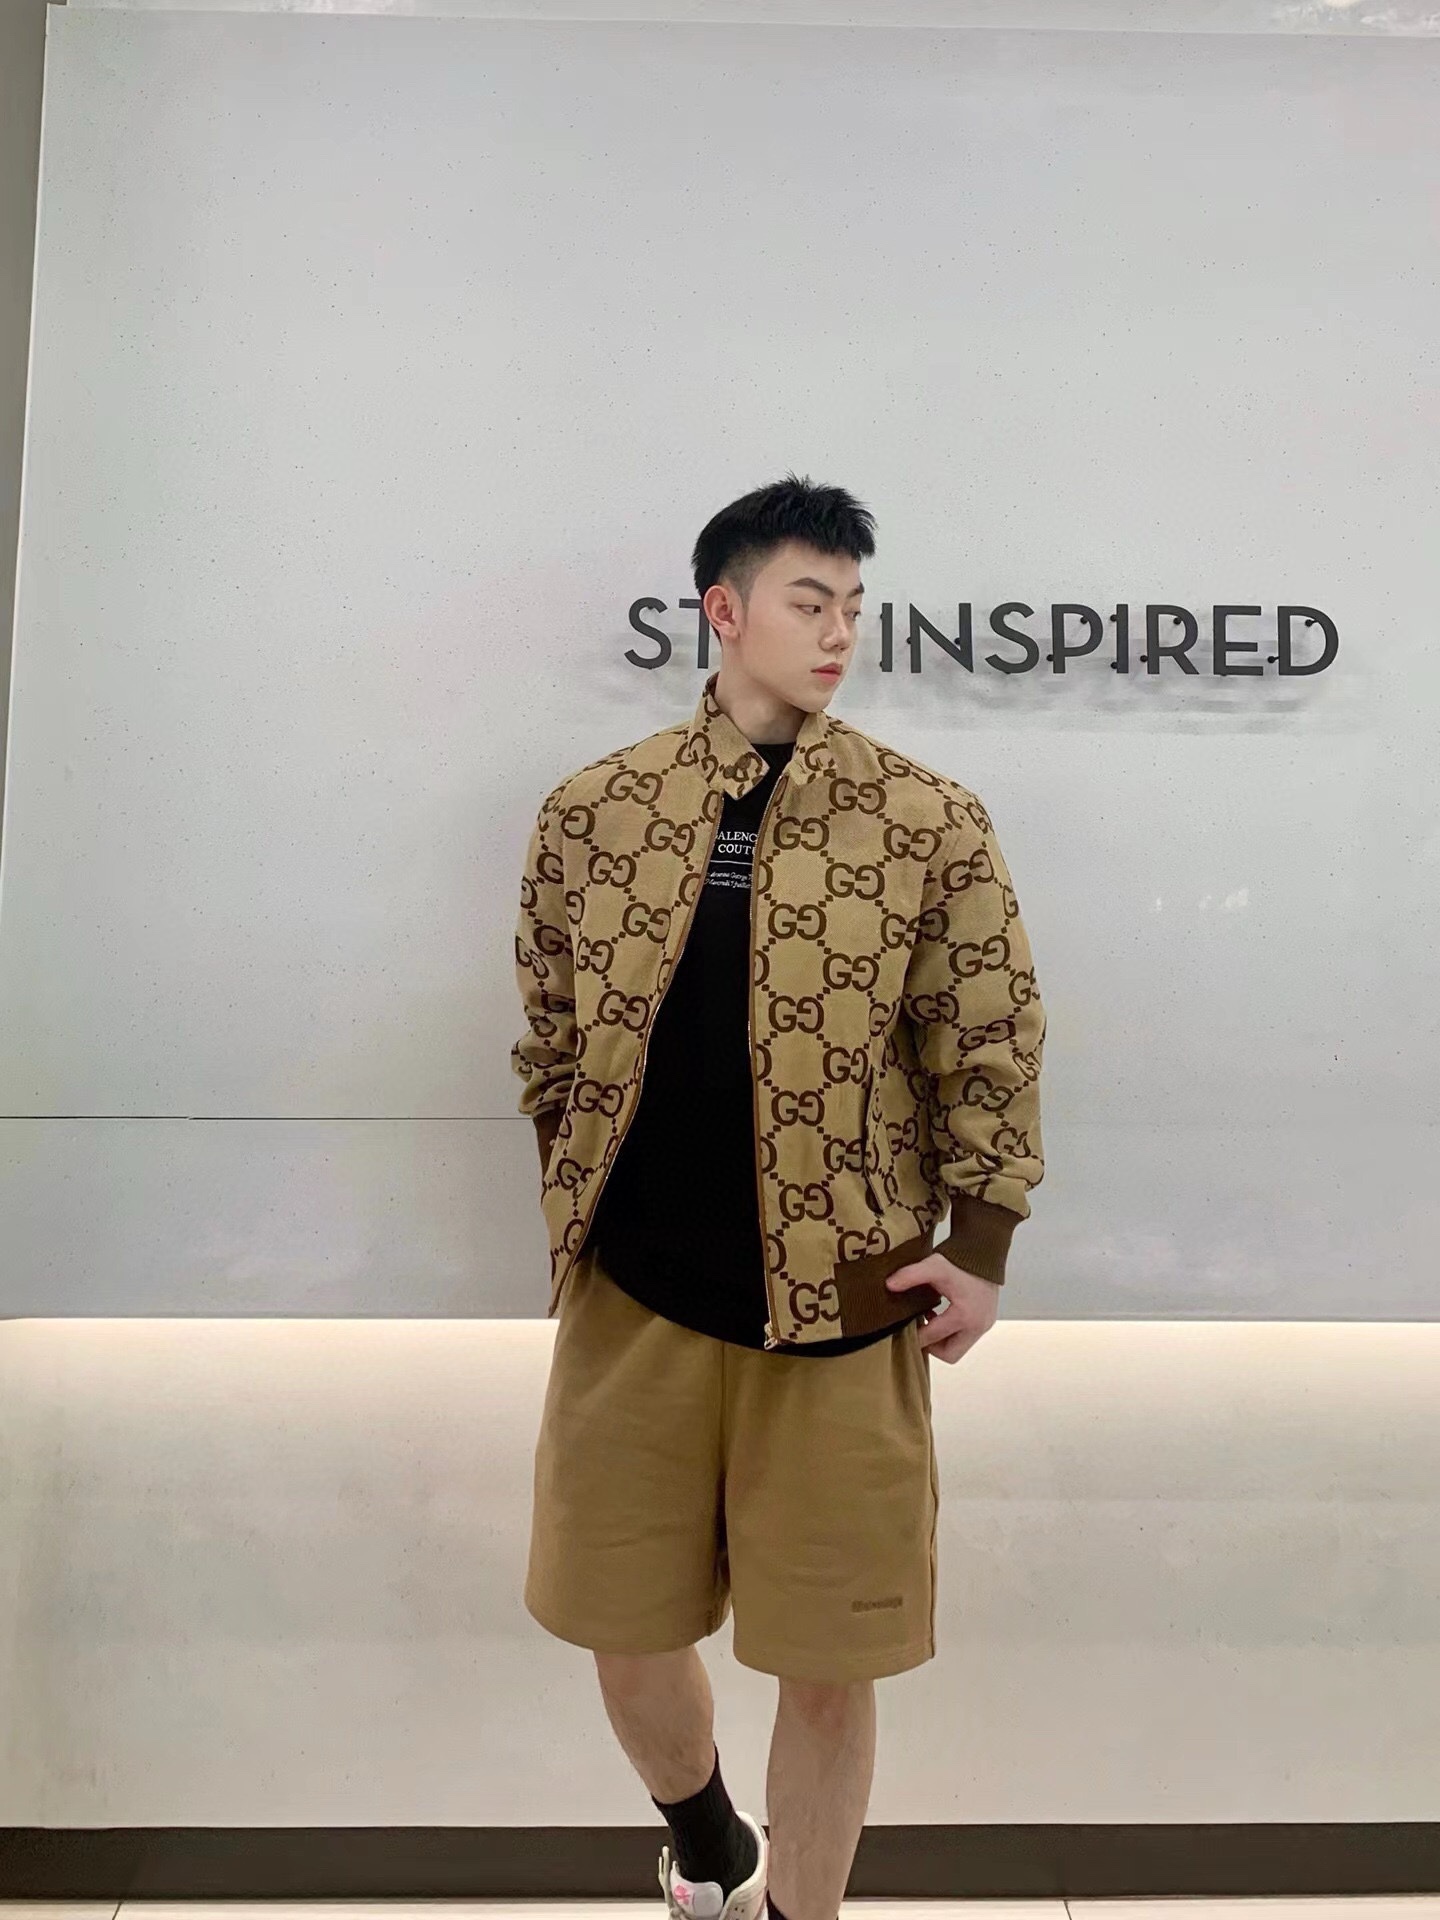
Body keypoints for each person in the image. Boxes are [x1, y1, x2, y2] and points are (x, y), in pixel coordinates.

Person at [510, 472, 1046, 1920]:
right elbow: (550, 1032)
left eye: (854, 608)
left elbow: (988, 1034)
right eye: (811, 603)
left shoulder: (924, 820)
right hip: (638, 1300)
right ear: (725, 610)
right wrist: (577, 1191)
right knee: (620, 1626)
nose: (839, 634)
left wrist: (983, 1242)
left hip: (845, 1309)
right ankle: (707, 1844)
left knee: (829, 1665)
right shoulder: (597, 812)